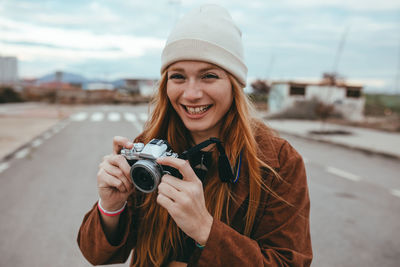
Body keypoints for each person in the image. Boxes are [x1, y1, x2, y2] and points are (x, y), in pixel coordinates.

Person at [77, 4, 312, 267]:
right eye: (178, 77)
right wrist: (111, 206)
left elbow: (288, 262)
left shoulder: (278, 162)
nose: (191, 94)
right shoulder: (150, 147)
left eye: (209, 76)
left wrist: (205, 229)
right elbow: (96, 254)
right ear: (165, 84)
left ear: (234, 85)